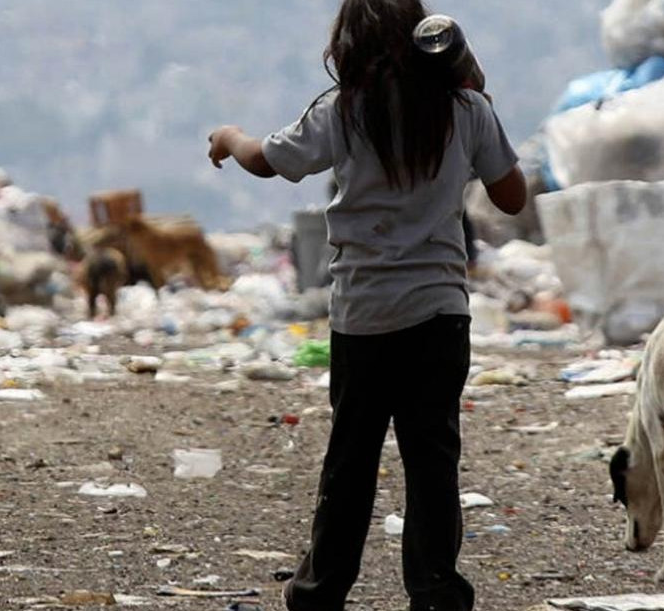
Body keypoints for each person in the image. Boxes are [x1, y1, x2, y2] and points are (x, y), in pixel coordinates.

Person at [206, 1, 527, 609]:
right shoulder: (466, 109)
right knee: (432, 463)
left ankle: (321, 590)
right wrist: (477, 88)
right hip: (439, 315)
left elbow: (268, 161)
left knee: (350, 463)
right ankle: (436, 592)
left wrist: (228, 137)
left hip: (363, 315)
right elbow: (511, 196)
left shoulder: (344, 108)